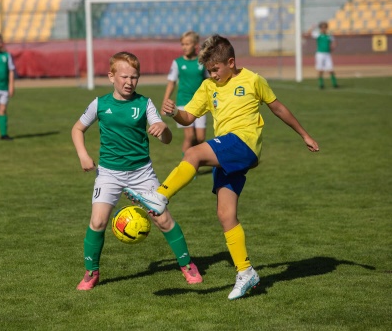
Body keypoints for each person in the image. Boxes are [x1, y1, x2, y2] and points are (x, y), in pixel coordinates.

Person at [124, 35, 319, 300]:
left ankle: (160, 196)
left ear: (231, 62)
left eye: (216, 69)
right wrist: (174, 113)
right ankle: (246, 271)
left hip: (243, 144)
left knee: (193, 152)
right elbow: (189, 117)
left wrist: (304, 135)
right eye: (209, 70)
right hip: (226, 152)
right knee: (225, 214)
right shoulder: (207, 87)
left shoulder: (253, 80)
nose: (213, 74)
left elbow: (278, 108)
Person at [71, 51, 202, 291]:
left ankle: (187, 264)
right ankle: (91, 272)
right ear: (111, 76)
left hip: (142, 173)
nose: (129, 82)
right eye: (124, 77)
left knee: (163, 219)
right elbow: (77, 129)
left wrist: (163, 128)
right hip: (109, 173)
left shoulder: (144, 104)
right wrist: (83, 154)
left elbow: (167, 140)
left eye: (134, 77)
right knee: (98, 221)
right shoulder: (100, 104)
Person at [163, 31, 209, 154]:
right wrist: (165, 101)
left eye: (187, 44)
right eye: (182, 44)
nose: (184, 47)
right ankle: (187, 167)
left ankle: (192, 158)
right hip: (184, 102)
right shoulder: (177, 63)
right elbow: (171, 83)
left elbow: (209, 82)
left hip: (200, 103)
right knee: (189, 136)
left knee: (200, 138)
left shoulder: (202, 62)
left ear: (195, 45)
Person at [312, 21, 339, 89]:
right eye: (322, 28)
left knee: (331, 69)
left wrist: (333, 47)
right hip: (320, 54)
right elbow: (309, 33)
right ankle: (321, 84)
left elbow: (334, 42)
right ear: (320, 28)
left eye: (325, 28)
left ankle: (334, 83)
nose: (324, 29)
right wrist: (313, 27)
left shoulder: (329, 35)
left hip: (327, 54)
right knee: (320, 69)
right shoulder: (318, 35)